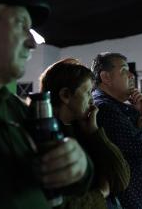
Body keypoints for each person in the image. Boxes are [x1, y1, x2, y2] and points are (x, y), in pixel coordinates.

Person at [0, 0, 92, 208]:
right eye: (22, 25)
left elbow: (75, 182)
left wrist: (79, 164)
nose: (32, 42)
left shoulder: (13, 107)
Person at [39, 58, 130, 209]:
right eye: (88, 92)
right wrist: (101, 193)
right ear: (66, 95)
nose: (92, 101)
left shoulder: (82, 128)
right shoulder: (47, 138)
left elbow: (122, 179)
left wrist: (95, 132)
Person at [92, 52, 142, 209]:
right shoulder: (103, 108)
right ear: (106, 77)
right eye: (124, 70)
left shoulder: (124, 106)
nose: (131, 75)